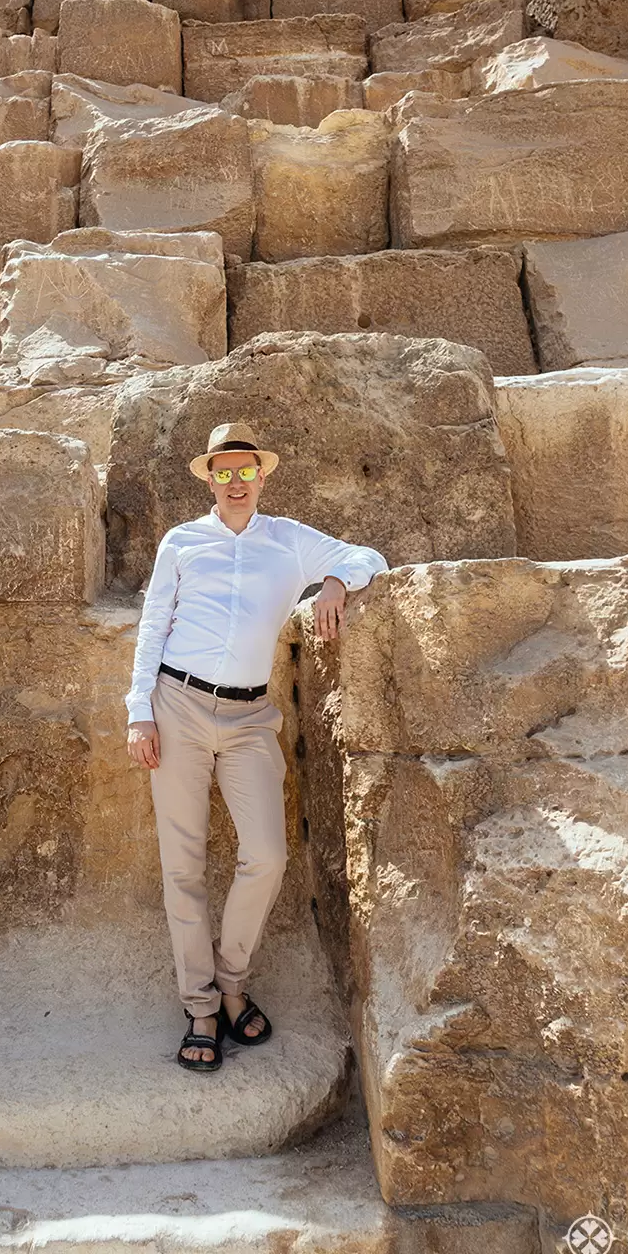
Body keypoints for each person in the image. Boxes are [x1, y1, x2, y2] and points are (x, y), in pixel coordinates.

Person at [124, 420, 390, 1072]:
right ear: (209, 478)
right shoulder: (182, 542)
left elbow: (368, 558)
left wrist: (333, 584)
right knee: (182, 867)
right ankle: (203, 1005)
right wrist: (140, 713)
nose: (236, 482)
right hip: (177, 705)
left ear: (262, 476)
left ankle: (233, 978)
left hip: (248, 719)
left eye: (247, 470)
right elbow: (154, 622)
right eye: (224, 471)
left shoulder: (290, 541)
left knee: (267, 855)